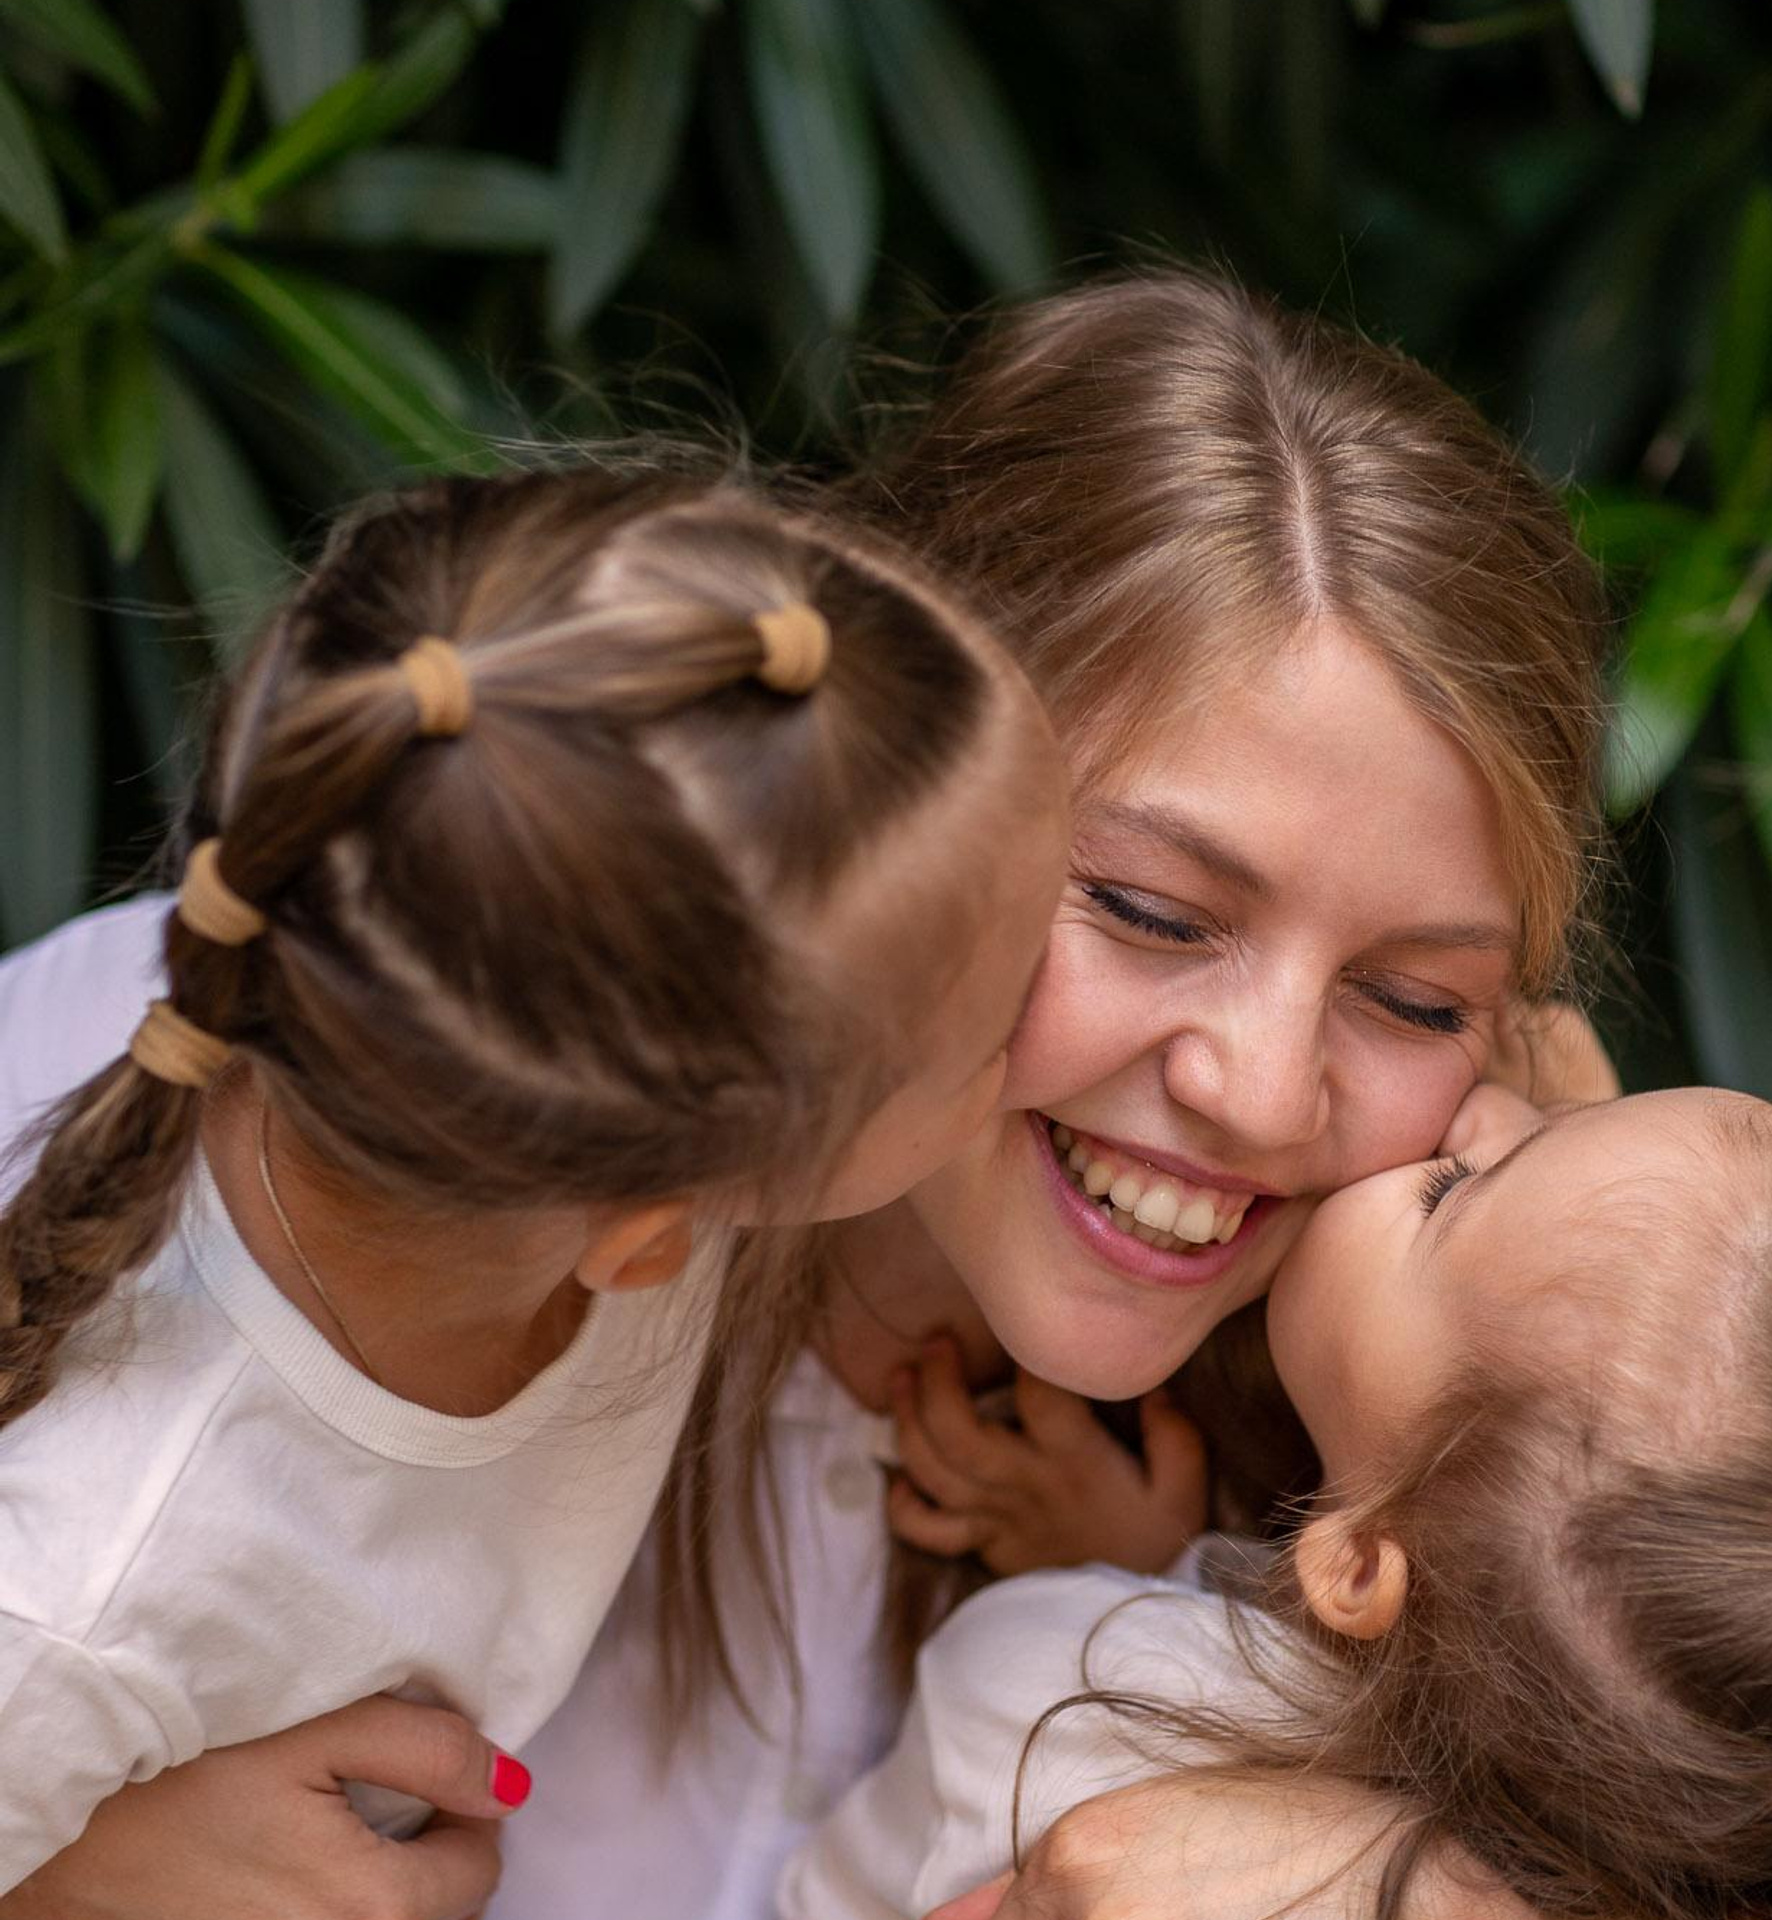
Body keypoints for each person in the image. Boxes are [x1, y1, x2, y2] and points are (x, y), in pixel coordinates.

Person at [0, 271, 1617, 1920]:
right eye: (1145, 910)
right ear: (895, 787)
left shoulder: (1460, 1465)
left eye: (1418, 997)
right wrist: (67, 1879)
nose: (1266, 1093)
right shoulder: (352, 1039)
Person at [0, 466, 1068, 1897]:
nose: (1054, 1025)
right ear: (649, 1242)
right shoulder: (80, 1595)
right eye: (992, 1033)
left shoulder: (481, 1020)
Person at [784, 1082, 1772, 1919]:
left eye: (1450, 1194)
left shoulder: (1043, 1700)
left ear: (1363, 1565)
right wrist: (1145, 1557)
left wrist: (1084, 1602)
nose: (1483, 1110)